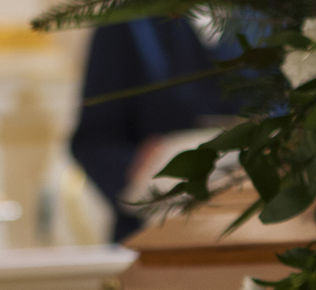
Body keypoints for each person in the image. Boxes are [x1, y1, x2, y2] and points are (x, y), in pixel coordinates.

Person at [71, 14, 244, 243]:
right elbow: (94, 138)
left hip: (255, 226)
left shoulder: (265, 16)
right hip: (155, 231)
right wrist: (136, 168)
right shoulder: (129, 22)